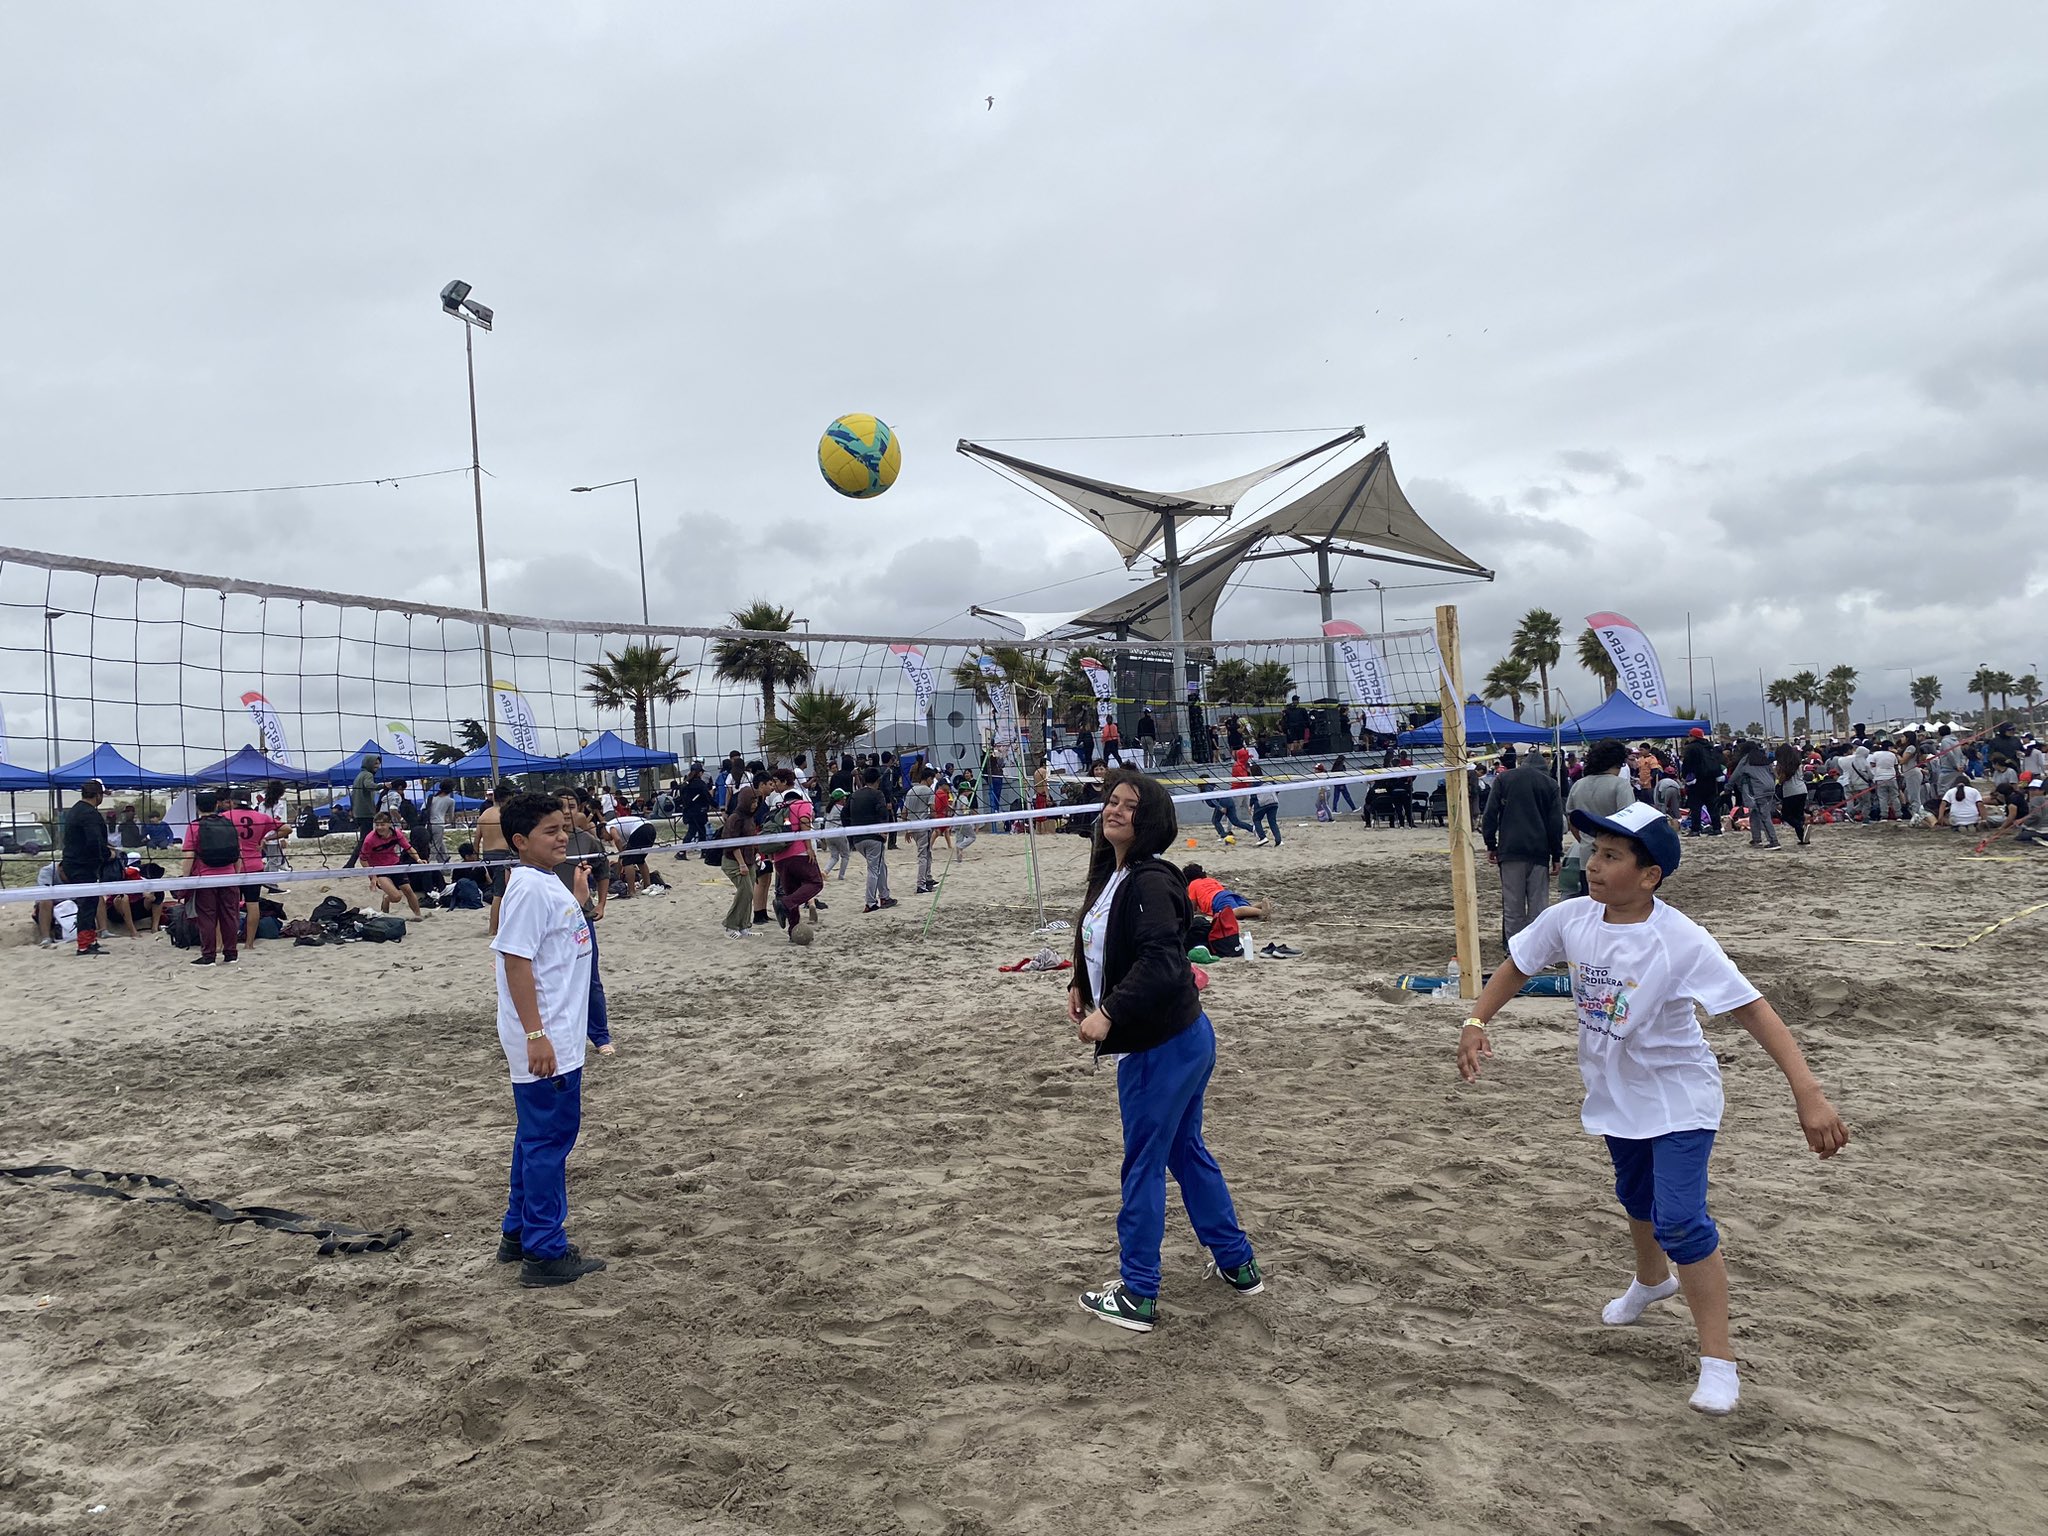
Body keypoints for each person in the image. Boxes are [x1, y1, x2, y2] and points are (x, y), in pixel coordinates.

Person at [1457, 799, 1848, 1415]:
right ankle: (1651, 1281)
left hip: (1680, 1095)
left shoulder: (1680, 939)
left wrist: (1809, 1094)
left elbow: (1753, 1009)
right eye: (1594, 851)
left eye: (1612, 855)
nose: (1593, 864)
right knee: (1635, 1196)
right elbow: (1518, 967)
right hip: (1615, 1090)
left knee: (1681, 1220)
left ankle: (1718, 1361)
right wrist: (1477, 1020)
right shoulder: (1571, 918)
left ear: (1649, 876)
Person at [1068, 770, 1262, 1332]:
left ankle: (1138, 1294)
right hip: (1179, 1038)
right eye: (1112, 801)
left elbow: (1163, 962)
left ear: (1150, 819)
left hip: (1161, 1044)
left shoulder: (1151, 879)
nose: (1115, 810)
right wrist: (1080, 980)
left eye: (1129, 805)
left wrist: (1110, 1013)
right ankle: (1238, 1264)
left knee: (1144, 1164)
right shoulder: (1113, 871)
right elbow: (1098, 934)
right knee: (1185, 1151)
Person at [491, 791, 606, 1288]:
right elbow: (515, 962)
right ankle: (543, 1251)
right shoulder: (528, 889)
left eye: (564, 827)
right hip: (547, 1040)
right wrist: (536, 1035)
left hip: (559, 1033)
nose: (563, 837)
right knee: (548, 1142)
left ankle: (518, 1234)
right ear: (520, 840)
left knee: (534, 1137)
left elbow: (556, 943)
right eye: (551, 831)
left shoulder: (545, 883)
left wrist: (578, 900)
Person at [1481, 747, 1564, 946]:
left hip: (1510, 849)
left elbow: (1490, 813)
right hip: (1539, 851)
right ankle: (1535, 949)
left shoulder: (1504, 779)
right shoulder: (1550, 784)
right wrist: (1556, 855)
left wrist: (1491, 843)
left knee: (1513, 906)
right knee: (1538, 907)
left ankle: (1514, 950)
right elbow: (1555, 824)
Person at [557, 793, 613, 1056]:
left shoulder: (587, 840)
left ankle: (600, 1037)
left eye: (571, 806)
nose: (566, 811)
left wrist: (601, 904)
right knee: (553, 980)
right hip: (550, 920)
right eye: (560, 807)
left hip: (580, 918)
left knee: (590, 979)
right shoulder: (541, 840)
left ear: (578, 809)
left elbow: (604, 871)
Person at [1565, 739, 1638, 894]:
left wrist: (1585, 840)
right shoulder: (1620, 785)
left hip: (1586, 855)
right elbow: (1628, 821)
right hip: (1614, 856)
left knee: (1590, 899)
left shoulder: (1578, 785)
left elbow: (1573, 822)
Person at [181, 788, 245, 965]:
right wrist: (235, 875)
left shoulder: (194, 826)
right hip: (229, 877)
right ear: (217, 804)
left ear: (197, 807)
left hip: (205, 879)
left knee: (207, 918)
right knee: (230, 916)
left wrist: (185, 880)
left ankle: (209, 956)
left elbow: (188, 856)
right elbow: (238, 855)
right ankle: (231, 954)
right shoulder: (228, 824)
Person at [60, 777, 114, 957]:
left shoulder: (76, 809)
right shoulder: (89, 814)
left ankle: (90, 940)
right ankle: (84, 945)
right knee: (87, 903)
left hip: (74, 863)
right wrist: (107, 855)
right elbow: (93, 841)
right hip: (82, 865)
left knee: (90, 902)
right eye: (102, 795)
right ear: (98, 795)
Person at [227, 788, 284, 945]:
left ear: (232, 802)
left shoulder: (225, 817)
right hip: (254, 865)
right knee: (253, 904)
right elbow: (286, 829)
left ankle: (230, 941)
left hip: (233, 866)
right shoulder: (261, 817)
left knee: (231, 906)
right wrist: (266, 839)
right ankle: (249, 944)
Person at [1182, 863, 1272, 957]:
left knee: (1232, 912)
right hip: (1226, 894)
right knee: (1244, 908)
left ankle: (1261, 912)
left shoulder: (1192, 885)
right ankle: (1260, 905)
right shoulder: (1211, 880)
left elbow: (1192, 906)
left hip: (1215, 899)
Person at [846, 765, 896, 913]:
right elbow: (882, 811)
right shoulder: (877, 794)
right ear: (878, 780)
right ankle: (870, 903)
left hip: (857, 838)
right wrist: (883, 830)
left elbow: (844, 814)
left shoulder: (854, 795)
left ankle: (885, 896)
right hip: (874, 837)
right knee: (874, 869)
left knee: (880, 866)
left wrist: (850, 835)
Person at [360, 811, 424, 918]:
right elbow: (363, 860)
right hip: (379, 870)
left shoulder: (396, 834)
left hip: (395, 865)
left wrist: (418, 860)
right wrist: (373, 876)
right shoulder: (370, 839)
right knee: (396, 897)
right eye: (377, 825)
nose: (379, 827)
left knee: (408, 890)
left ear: (389, 824)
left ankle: (418, 916)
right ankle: (386, 899)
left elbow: (408, 848)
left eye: (382, 824)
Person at [718, 784, 762, 938]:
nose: (755, 804)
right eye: (752, 801)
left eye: (756, 801)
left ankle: (743, 926)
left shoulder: (750, 817)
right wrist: (741, 864)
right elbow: (732, 843)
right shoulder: (735, 818)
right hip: (734, 861)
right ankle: (730, 925)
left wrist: (757, 854)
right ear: (744, 801)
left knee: (749, 893)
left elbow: (751, 839)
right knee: (745, 891)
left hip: (749, 860)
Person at [478, 782, 516, 937]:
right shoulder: (506, 814)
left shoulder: (484, 815)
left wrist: (476, 858)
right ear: (507, 799)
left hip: (487, 855)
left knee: (500, 891)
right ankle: (493, 929)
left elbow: (476, 840)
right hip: (503, 855)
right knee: (499, 894)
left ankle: (500, 925)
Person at [1729, 745, 1782, 851]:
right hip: (1770, 788)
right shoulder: (1763, 758)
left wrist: (1728, 787)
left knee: (1764, 815)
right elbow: (1773, 773)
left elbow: (1736, 774)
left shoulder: (1746, 760)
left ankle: (1773, 841)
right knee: (1754, 812)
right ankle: (1756, 838)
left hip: (1757, 789)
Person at [1679, 729, 1723, 837]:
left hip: (1696, 781)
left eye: (1689, 735)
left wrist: (1684, 775)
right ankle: (1717, 828)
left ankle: (1695, 829)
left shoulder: (1691, 748)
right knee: (1712, 806)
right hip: (1711, 780)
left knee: (1695, 807)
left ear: (1694, 736)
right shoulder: (1710, 747)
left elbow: (1687, 763)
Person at [606, 806, 656, 896]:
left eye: (604, 837)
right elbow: (623, 850)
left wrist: (623, 854)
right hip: (650, 828)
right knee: (640, 860)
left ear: (602, 831)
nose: (606, 840)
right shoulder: (621, 829)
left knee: (627, 862)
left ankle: (631, 891)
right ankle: (647, 885)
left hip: (640, 829)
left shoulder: (608, 826)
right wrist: (618, 875)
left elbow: (617, 840)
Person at [342, 754, 381, 867]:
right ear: (369, 763)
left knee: (369, 838)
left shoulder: (359, 776)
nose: (378, 766)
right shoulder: (368, 775)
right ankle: (350, 863)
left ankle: (371, 859)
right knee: (365, 840)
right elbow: (369, 786)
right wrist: (383, 786)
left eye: (378, 763)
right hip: (366, 813)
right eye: (375, 763)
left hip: (359, 812)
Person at [904, 764, 938, 894]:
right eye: (932, 780)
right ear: (928, 778)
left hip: (912, 827)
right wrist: (936, 820)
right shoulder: (928, 791)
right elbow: (933, 810)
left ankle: (928, 879)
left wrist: (907, 829)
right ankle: (921, 884)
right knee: (923, 856)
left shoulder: (910, 791)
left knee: (927, 853)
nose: (932, 783)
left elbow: (904, 812)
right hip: (923, 826)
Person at [1773, 744, 1810, 846]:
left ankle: (1800, 827)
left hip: (1790, 791)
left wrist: (1775, 773)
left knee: (1786, 815)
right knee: (1798, 814)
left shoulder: (1784, 766)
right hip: (1802, 789)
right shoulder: (1798, 763)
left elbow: (1781, 780)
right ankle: (1803, 838)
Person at [679, 763, 713, 846]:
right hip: (699, 812)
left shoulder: (685, 784)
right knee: (698, 832)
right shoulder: (700, 784)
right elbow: (708, 797)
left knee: (695, 831)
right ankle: (684, 850)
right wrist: (716, 805)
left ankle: (685, 849)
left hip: (689, 812)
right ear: (700, 773)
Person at [1248, 763, 1282, 847]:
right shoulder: (1268, 779)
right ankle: (1278, 840)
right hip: (1274, 802)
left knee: (1256, 819)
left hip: (1262, 803)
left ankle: (1262, 837)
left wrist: (1250, 805)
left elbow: (1253, 796)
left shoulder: (1255, 782)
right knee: (1272, 821)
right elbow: (1277, 789)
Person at [424, 779, 456, 865]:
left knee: (439, 844)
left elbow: (423, 809)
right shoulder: (450, 801)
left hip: (428, 825)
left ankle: (445, 861)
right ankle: (428, 862)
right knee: (435, 847)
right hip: (439, 825)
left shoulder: (431, 798)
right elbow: (451, 816)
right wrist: (452, 822)